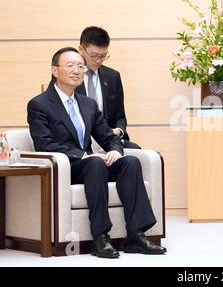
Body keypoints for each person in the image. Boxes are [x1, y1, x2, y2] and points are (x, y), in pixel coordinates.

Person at [28, 47, 166, 258]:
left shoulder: (88, 104)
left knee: (129, 163)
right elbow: (44, 144)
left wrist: (116, 151)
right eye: (70, 66)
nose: (77, 71)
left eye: (81, 66)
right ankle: (100, 237)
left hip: (93, 166)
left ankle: (136, 236)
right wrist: (84, 155)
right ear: (55, 71)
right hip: (67, 166)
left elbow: (108, 136)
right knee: (95, 163)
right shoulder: (40, 104)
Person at [50, 26, 141, 148]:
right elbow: (56, 109)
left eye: (103, 56)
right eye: (94, 56)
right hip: (79, 138)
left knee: (137, 152)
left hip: (106, 137)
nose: (98, 60)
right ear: (81, 50)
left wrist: (119, 130)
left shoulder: (112, 76)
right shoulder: (68, 75)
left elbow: (120, 116)